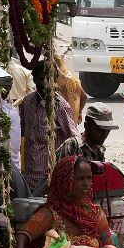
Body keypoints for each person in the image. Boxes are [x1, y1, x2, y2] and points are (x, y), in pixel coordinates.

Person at [18, 64, 77, 193]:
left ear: (54, 80)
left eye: (48, 79)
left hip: (49, 177)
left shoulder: (60, 106)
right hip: (29, 174)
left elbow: (73, 139)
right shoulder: (27, 102)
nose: (44, 83)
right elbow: (22, 131)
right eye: (40, 79)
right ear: (33, 79)